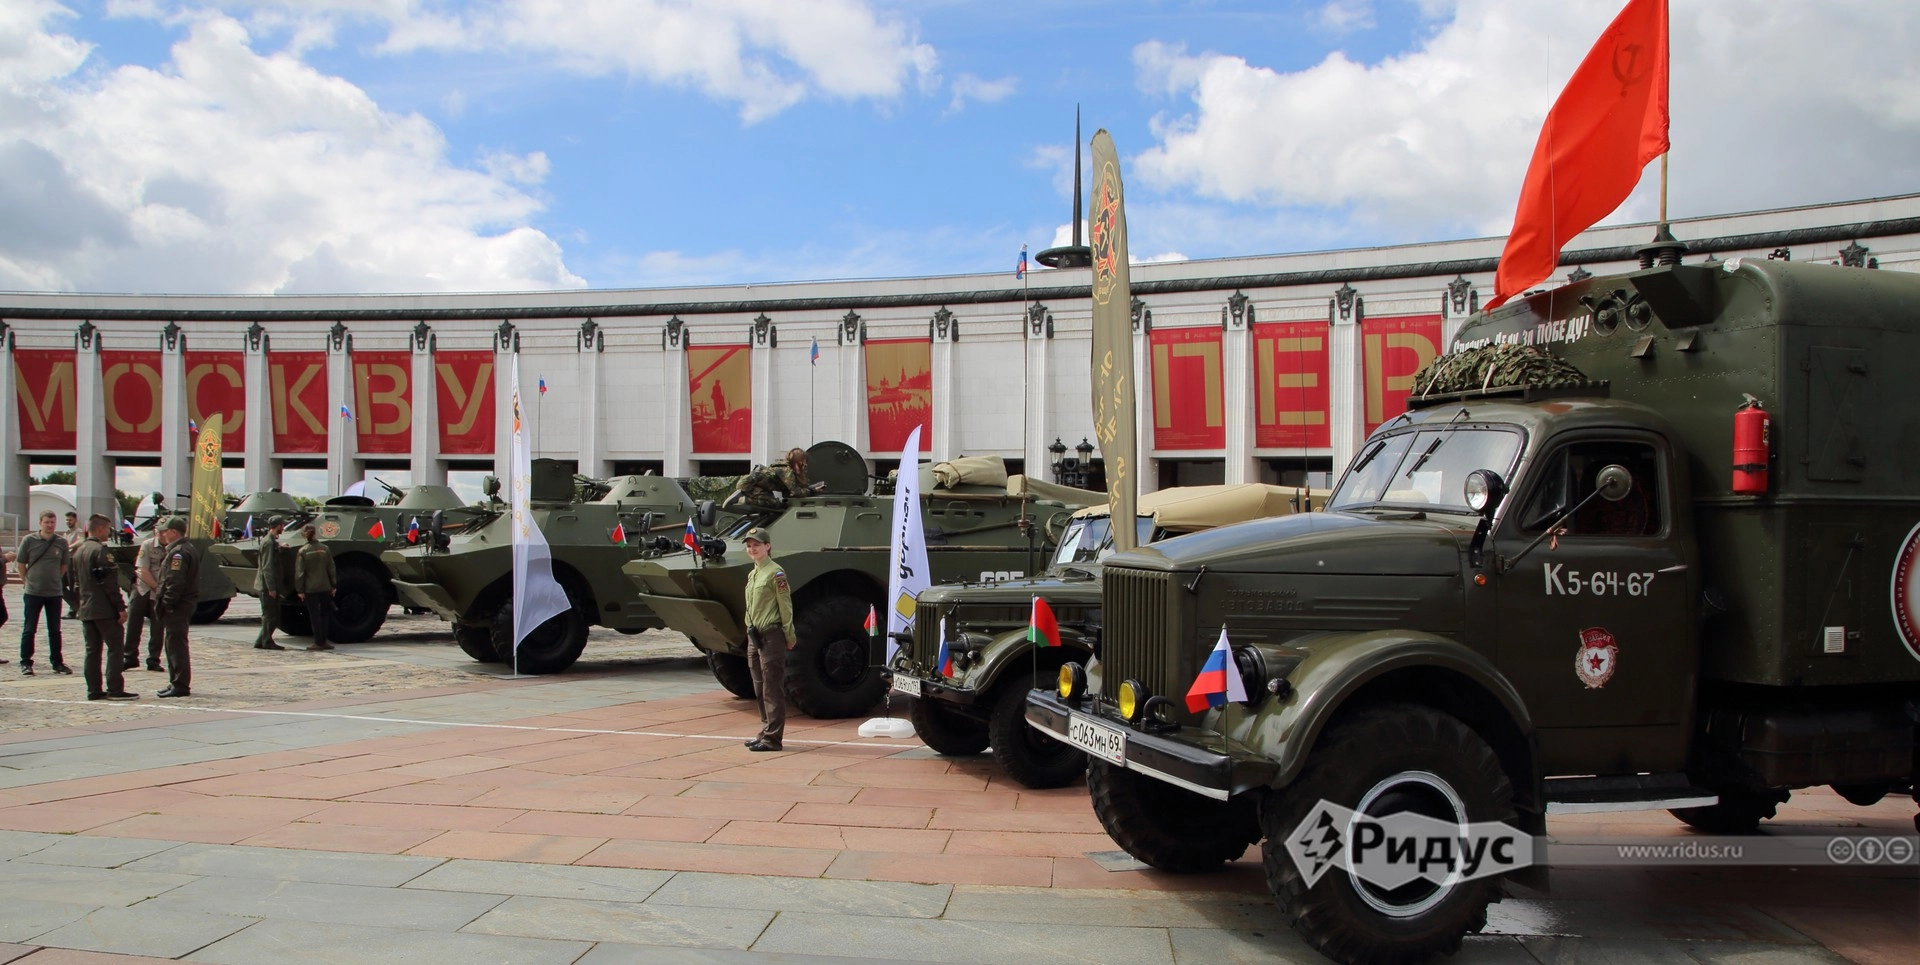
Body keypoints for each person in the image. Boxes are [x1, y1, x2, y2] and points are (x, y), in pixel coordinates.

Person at [740, 526, 795, 752]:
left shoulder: (776, 573)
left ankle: (773, 738)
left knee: (772, 688)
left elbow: (785, 606)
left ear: (768, 546)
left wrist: (789, 635)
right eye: (749, 546)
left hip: (771, 635)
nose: (752, 549)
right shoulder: (754, 573)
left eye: (757, 545)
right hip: (754, 636)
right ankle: (764, 732)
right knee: (759, 687)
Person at [74, 514, 136, 701]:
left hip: (86, 607)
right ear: (100, 529)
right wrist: (120, 606)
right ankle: (114, 688)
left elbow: (74, 582)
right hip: (104, 608)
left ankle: (93, 689)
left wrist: (78, 604)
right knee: (115, 648)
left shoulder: (79, 550)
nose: (109, 533)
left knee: (92, 650)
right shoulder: (101, 551)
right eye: (108, 529)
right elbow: (110, 584)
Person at [17, 510, 72, 676]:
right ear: (40, 523)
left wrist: (55, 579)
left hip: (54, 592)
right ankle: (26, 661)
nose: (50, 525)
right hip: (33, 592)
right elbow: (21, 563)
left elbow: (64, 565)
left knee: (55, 630)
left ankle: (57, 662)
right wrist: (26, 581)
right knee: (29, 629)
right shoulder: (29, 540)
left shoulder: (61, 542)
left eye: (52, 522)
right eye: (47, 522)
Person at [152, 516, 199, 697]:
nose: (162, 535)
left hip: (177, 606)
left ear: (173, 532)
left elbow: (175, 581)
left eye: (165, 531)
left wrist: (168, 602)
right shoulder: (182, 549)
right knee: (172, 643)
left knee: (176, 644)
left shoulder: (178, 552)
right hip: (180, 604)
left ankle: (180, 684)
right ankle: (175, 681)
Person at [124, 532, 165, 672]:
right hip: (142, 587)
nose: (162, 534)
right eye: (159, 531)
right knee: (134, 622)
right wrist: (156, 587)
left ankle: (154, 658)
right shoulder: (148, 545)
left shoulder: (171, 547)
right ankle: (129, 656)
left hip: (159, 590)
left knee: (158, 626)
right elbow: (142, 570)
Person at [294, 524, 336, 651]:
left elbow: (300, 573)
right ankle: (324, 641)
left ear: (304, 535)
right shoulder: (325, 549)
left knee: (314, 616)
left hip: (310, 588)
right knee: (324, 615)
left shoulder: (303, 551)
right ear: (315, 533)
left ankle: (318, 642)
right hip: (325, 586)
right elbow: (331, 568)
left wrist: (300, 590)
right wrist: (333, 585)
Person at [252, 517, 289, 651]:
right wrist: (271, 588)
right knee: (270, 615)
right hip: (267, 586)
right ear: (277, 526)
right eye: (282, 525)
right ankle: (266, 641)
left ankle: (261, 641)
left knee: (271, 614)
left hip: (266, 585)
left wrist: (280, 548)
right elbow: (268, 567)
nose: (283, 527)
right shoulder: (269, 543)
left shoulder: (270, 541)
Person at [62, 511, 83, 619]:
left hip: (73, 561)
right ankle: (75, 607)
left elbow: (81, 541)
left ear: (75, 520)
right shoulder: (66, 533)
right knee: (60, 585)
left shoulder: (79, 532)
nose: (68, 522)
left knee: (73, 586)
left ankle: (74, 610)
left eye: (70, 520)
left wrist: (69, 547)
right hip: (65, 561)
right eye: (66, 520)